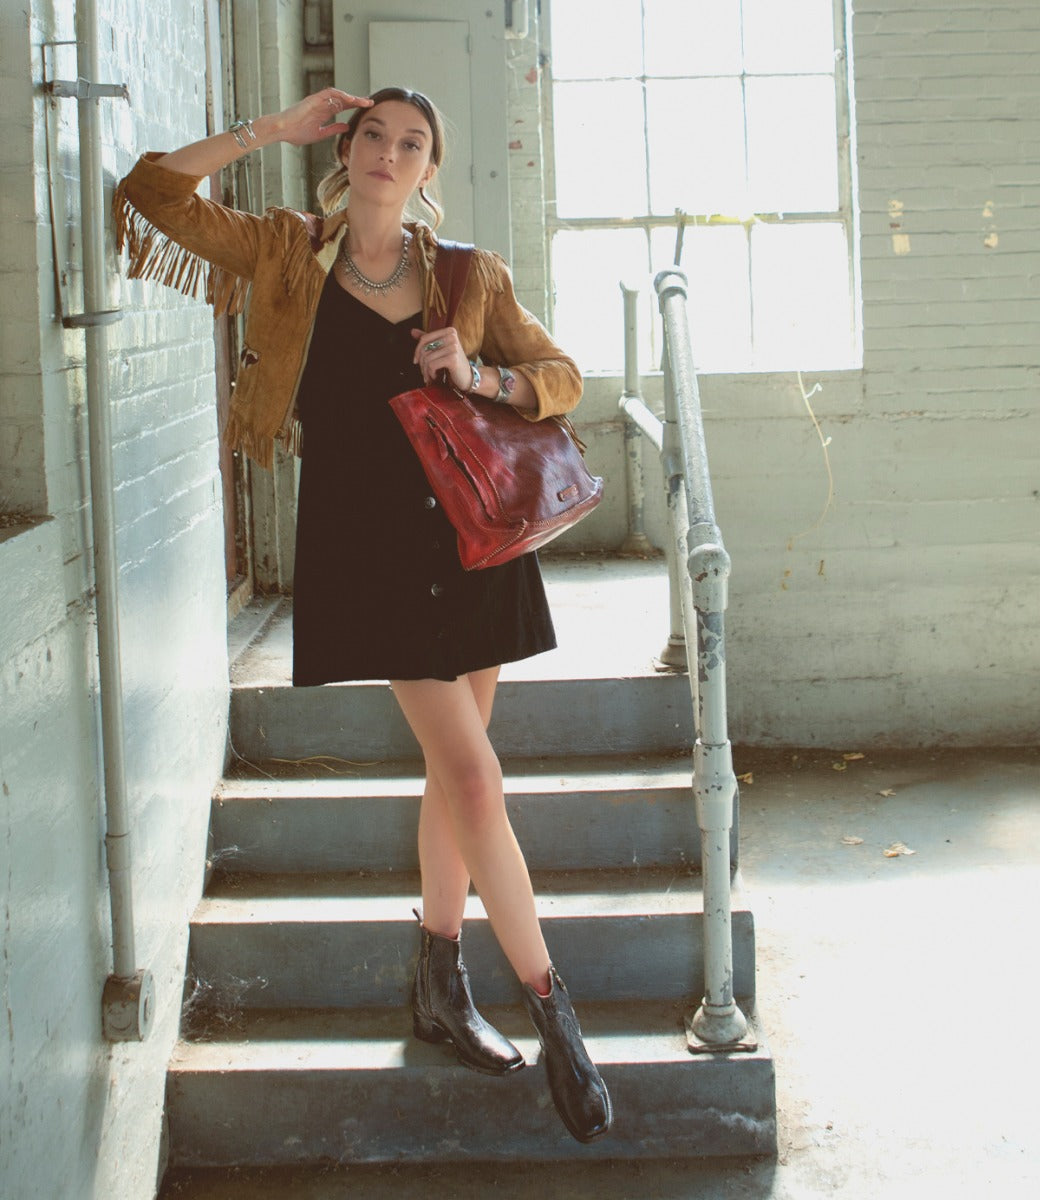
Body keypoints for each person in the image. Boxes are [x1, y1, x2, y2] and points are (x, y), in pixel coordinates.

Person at [114, 85, 612, 1144]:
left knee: (456, 772)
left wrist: (478, 373)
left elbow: (560, 375)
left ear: (430, 170)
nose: (390, 152)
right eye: (372, 135)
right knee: (474, 774)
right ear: (347, 150)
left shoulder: (468, 277)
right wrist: (268, 132)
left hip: (472, 542)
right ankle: (554, 1008)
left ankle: (435, 983)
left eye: (413, 142)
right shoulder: (286, 252)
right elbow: (152, 195)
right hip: (365, 551)